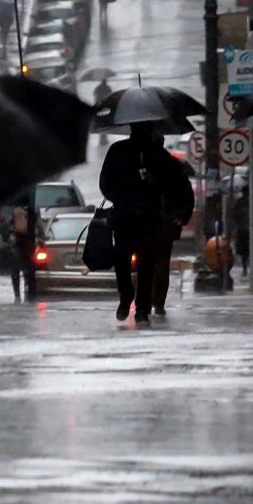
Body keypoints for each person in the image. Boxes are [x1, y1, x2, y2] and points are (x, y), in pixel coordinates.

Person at [100, 122, 183, 324]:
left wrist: (154, 182)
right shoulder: (119, 151)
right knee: (128, 262)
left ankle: (141, 308)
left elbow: (173, 184)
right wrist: (122, 196)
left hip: (147, 218)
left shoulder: (156, 155)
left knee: (143, 264)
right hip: (127, 217)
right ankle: (130, 298)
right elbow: (105, 183)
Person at [151, 159, 194, 316]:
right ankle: (155, 300)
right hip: (154, 225)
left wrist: (180, 219)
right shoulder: (173, 170)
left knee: (159, 264)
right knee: (158, 264)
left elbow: (187, 199)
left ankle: (156, 300)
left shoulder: (174, 172)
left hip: (161, 226)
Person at [0, 204, 39, 303]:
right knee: (29, 270)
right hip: (29, 242)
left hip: (15, 243)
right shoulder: (33, 208)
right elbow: (38, 224)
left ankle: (17, 296)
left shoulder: (11, 209)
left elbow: (4, 226)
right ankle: (30, 295)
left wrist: (6, 239)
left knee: (15, 271)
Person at [233, 185, 253, 277]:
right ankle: (249, 269)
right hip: (246, 230)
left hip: (250, 230)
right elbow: (236, 215)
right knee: (247, 252)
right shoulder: (243, 202)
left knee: (250, 251)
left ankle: (250, 269)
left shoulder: (252, 202)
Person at [94, 79, 113, 145]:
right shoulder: (108, 88)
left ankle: (102, 138)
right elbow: (111, 96)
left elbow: (95, 95)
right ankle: (104, 138)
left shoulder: (98, 88)